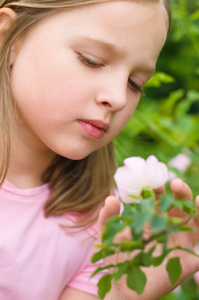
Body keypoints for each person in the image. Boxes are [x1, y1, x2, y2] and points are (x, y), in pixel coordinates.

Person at [0, 0, 198, 299]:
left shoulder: (101, 221)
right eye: (91, 60)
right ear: (9, 35)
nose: (118, 98)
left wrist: (119, 292)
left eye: (135, 83)